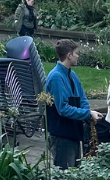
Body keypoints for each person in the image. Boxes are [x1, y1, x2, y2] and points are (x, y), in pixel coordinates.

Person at [44, 39, 102, 168]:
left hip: (74, 132)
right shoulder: (56, 77)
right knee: (65, 174)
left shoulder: (73, 75)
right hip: (61, 135)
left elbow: (82, 98)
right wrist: (87, 113)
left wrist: (87, 113)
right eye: (76, 53)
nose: (78, 56)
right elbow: (63, 109)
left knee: (74, 172)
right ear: (69, 55)